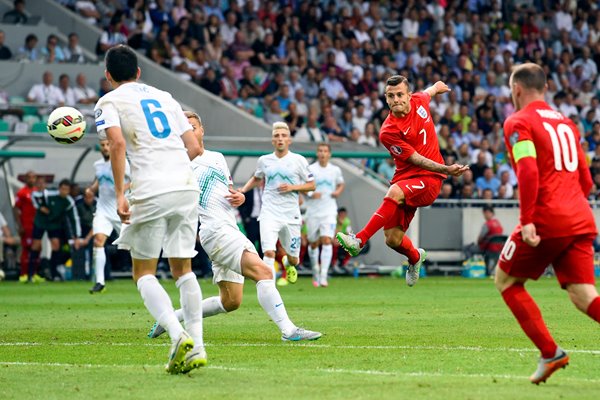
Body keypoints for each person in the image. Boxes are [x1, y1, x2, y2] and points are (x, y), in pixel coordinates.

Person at [147, 112, 321, 342]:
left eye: (193, 127)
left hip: (227, 228)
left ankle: (169, 318)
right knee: (264, 272)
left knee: (230, 301)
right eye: (185, 128)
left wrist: (239, 196)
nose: (190, 131)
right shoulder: (179, 166)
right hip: (215, 231)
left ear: (202, 130)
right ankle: (288, 330)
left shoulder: (217, 157)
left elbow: (229, 191)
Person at [94, 45, 205, 374]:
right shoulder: (166, 97)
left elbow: (116, 144)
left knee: (142, 271)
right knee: (183, 269)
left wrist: (119, 194)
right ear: (139, 72)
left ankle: (176, 335)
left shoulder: (109, 101)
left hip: (151, 188)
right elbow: (195, 147)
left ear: (108, 76)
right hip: (186, 186)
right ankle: (197, 347)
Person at [495, 63, 600, 384]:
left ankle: (550, 352)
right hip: (580, 217)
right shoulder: (568, 124)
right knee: (585, 295)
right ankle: (550, 353)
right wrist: (569, 207)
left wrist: (528, 220)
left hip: (546, 217)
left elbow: (527, 170)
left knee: (507, 282)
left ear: (516, 89)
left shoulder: (518, 121)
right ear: (545, 87)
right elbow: (586, 181)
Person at [336, 75, 468, 287]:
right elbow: (415, 158)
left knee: (395, 192)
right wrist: (448, 168)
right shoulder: (388, 131)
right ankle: (415, 258)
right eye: (390, 96)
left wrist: (437, 86)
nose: (396, 99)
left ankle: (359, 240)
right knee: (392, 239)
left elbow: (429, 91)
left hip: (430, 179)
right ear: (386, 99)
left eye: (400, 94)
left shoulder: (420, 101)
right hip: (408, 177)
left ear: (409, 95)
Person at [239, 122, 316, 286]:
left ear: (289, 140)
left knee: (294, 259)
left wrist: (293, 187)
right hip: (269, 213)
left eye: (283, 136)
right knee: (268, 251)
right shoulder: (264, 160)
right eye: (276, 136)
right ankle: (269, 288)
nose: (280, 139)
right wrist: (243, 190)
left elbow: (312, 185)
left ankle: (289, 264)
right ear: (272, 140)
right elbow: (257, 178)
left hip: (291, 215)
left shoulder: (298, 160)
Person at [85, 138, 130, 294]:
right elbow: (100, 181)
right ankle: (100, 281)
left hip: (121, 210)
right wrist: (91, 190)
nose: (105, 148)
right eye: (102, 145)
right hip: (103, 210)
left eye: (107, 145)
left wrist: (121, 189)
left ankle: (146, 275)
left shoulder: (123, 163)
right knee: (98, 241)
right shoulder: (98, 165)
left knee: (134, 246)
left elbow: (136, 180)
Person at [304, 143, 345, 287]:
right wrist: (310, 193)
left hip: (329, 210)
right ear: (317, 153)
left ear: (329, 154)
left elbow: (341, 184)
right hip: (313, 212)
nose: (322, 153)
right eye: (320, 151)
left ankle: (323, 275)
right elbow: (303, 187)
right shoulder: (310, 169)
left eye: (325, 151)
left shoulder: (335, 170)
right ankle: (315, 270)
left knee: (327, 240)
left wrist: (338, 192)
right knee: (314, 243)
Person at [29, 179, 82, 282]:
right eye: (62, 189)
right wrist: (40, 207)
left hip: (54, 224)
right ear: (59, 188)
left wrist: (77, 236)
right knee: (36, 245)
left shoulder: (69, 201)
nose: (64, 191)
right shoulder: (49, 194)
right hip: (41, 222)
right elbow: (34, 195)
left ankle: (53, 273)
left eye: (66, 190)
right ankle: (31, 274)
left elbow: (74, 218)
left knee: (56, 245)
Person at [13, 171, 40, 283]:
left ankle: (34, 274)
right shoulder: (21, 193)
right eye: (29, 177)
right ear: (25, 179)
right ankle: (24, 274)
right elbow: (15, 209)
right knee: (27, 249)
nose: (31, 179)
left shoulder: (37, 192)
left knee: (38, 248)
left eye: (33, 177)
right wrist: (19, 225)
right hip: (26, 225)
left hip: (38, 225)